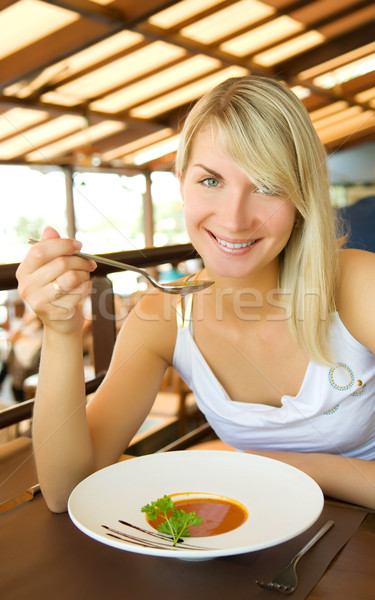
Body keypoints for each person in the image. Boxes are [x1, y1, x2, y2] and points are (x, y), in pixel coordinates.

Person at [16, 76, 375, 513]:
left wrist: (275, 463)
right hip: (255, 540)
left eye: (267, 186)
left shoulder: (357, 285)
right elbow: (66, 489)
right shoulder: (163, 317)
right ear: (182, 180)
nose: (235, 218)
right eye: (211, 181)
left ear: (301, 197)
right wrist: (61, 333)